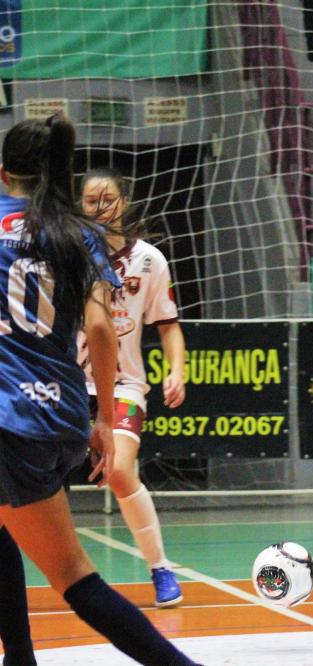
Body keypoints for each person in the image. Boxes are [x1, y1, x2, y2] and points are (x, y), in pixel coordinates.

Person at [0, 115, 197, 665]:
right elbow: (103, 331)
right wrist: (105, 419)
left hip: (4, 413)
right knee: (69, 573)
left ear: (2, 172)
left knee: (62, 567)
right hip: (57, 416)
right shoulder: (79, 235)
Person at [76, 168, 187, 609]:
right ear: (79, 207)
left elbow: (168, 326)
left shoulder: (150, 260)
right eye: (90, 200)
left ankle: (161, 569)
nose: (101, 206)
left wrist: (176, 369)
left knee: (120, 471)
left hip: (122, 384)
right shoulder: (68, 255)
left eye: (108, 198)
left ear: (124, 202)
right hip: (64, 383)